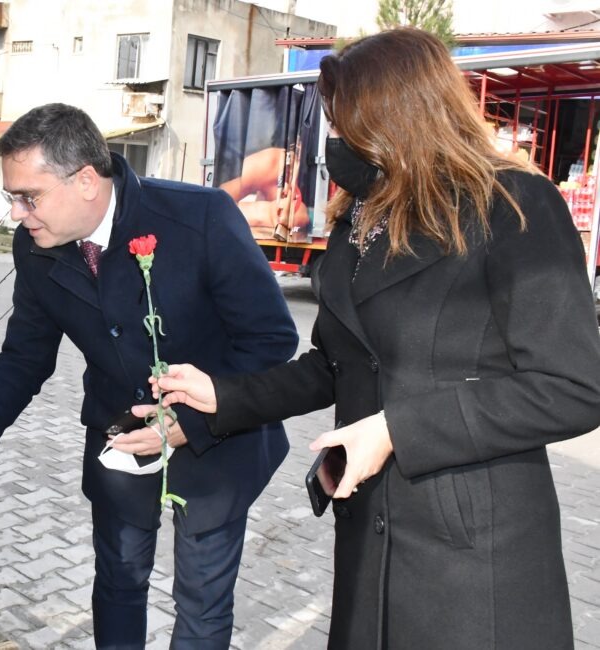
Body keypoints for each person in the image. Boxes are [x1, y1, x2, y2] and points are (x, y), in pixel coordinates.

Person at [152, 28, 600, 650]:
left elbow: (573, 386)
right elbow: (335, 365)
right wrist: (223, 395)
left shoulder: (514, 206)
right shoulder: (359, 217)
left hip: (473, 550)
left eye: (345, 124)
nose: (332, 142)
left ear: (401, 116)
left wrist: (397, 429)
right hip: (369, 532)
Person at [0, 103, 299, 648]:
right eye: (12, 197)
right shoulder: (35, 247)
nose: (18, 212)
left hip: (219, 437)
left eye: (30, 196)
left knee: (203, 601)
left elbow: (271, 341)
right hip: (121, 435)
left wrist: (192, 419)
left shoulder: (200, 218)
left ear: (87, 181)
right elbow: (26, 355)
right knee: (118, 580)